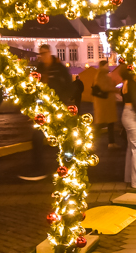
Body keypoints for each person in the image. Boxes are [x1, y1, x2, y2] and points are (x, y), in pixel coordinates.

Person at [22, 44, 75, 180]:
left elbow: (69, 86)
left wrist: (62, 101)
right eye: (40, 54)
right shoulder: (40, 68)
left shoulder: (59, 68)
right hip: (43, 109)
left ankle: (70, 164)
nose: (42, 57)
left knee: (64, 136)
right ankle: (39, 168)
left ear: (49, 53)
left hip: (58, 108)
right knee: (37, 137)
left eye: (44, 53)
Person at [80, 59, 119, 146]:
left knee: (108, 124)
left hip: (106, 103)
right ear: (103, 66)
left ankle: (110, 142)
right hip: (105, 104)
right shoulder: (101, 74)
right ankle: (90, 141)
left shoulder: (103, 74)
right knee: (101, 124)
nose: (108, 67)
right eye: (106, 65)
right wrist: (115, 89)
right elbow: (104, 87)